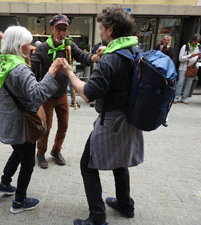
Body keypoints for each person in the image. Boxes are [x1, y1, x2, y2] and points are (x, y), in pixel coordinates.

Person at [60, 6, 145, 225]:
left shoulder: (111, 59)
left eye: (101, 27)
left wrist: (70, 73)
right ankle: (126, 205)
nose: (99, 32)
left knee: (87, 166)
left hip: (112, 121)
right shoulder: (134, 51)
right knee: (120, 162)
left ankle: (97, 218)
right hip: (130, 118)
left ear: (110, 29)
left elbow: (88, 94)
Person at [0, 25, 66, 213]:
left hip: (7, 122)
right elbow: (38, 94)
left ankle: (4, 184)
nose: (31, 48)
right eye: (28, 44)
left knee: (18, 152)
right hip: (21, 125)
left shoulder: (0, 62)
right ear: (19, 46)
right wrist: (52, 69)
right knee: (27, 162)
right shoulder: (19, 69)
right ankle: (19, 202)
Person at [31, 14, 102, 169]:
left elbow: (83, 56)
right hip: (47, 96)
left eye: (65, 29)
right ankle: (40, 153)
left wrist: (95, 57)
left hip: (62, 94)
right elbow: (33, 70)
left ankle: (56, 150)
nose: (62, 33)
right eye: (59, 29)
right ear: (52, 29)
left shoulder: (68, 45)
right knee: (46, 127)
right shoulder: (42, 48)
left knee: (64, 125)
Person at [174, 33, 201, 104]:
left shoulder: (199, 47)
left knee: (189, 84)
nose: (196, 42)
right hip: (183, 67)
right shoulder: (185, 47)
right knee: (180, 83)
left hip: (192, 68)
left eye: (197, 41)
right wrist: (190, 56)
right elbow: (180, 59)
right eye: (195, 41)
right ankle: (176, 97)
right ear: (192, 40)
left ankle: (184, 98)